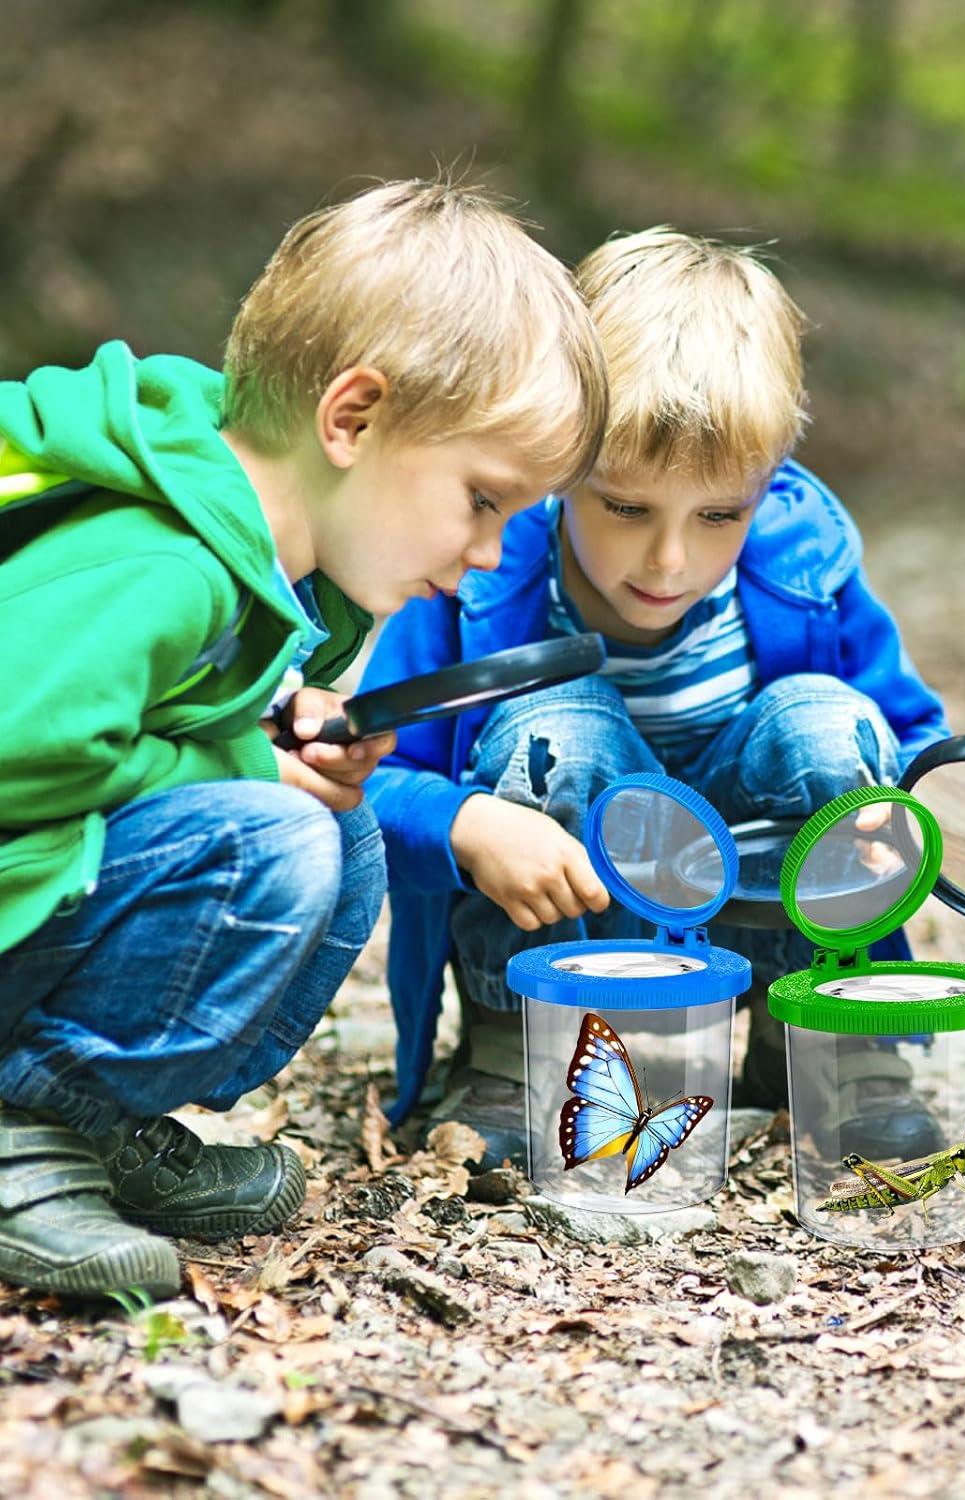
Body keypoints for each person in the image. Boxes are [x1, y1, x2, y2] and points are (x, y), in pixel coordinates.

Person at [0, 179, 607, 1297]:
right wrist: (241, 762)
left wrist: (275, 722)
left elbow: (152, 723)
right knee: (271, 841)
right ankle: (22, 1125)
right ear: (353, 419)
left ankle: (86, 1123)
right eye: (483, 499)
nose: (488, 552)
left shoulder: (267, 574)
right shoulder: (163, 562)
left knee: (342, 836)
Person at [364, 228, 949, 1168]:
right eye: (626, 508)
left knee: (826, 724)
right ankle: (523, 1051)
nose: (671, 561)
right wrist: (469, 823)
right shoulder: (483, 578)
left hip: (752, 913)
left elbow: (911, 739)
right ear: (559, 466)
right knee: (561, 723)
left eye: (720, 514)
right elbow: (372, 783)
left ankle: (824, 1040)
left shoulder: (803, 566)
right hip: (568, 930)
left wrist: (906, 819)